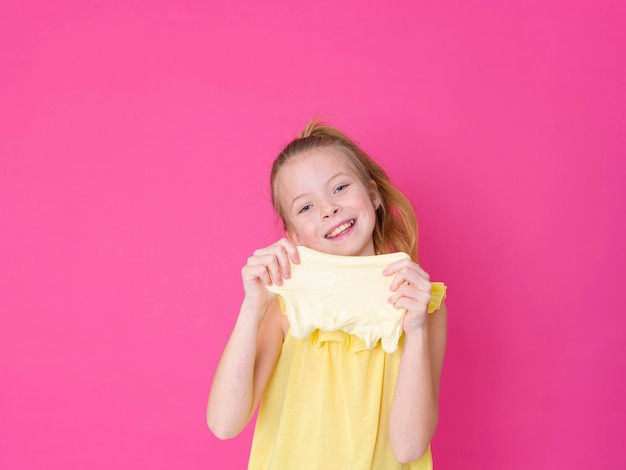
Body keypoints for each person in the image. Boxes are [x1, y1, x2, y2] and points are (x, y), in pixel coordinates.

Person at [207, 120, 448, 469]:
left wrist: (416, 328)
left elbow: (409, 447)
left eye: (340, 188)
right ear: (295, 235)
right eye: (306, 207)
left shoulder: (423, 305)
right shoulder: (285, 304)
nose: (328, 209)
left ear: (373, 194)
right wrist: (252, 307)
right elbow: (224, 424)